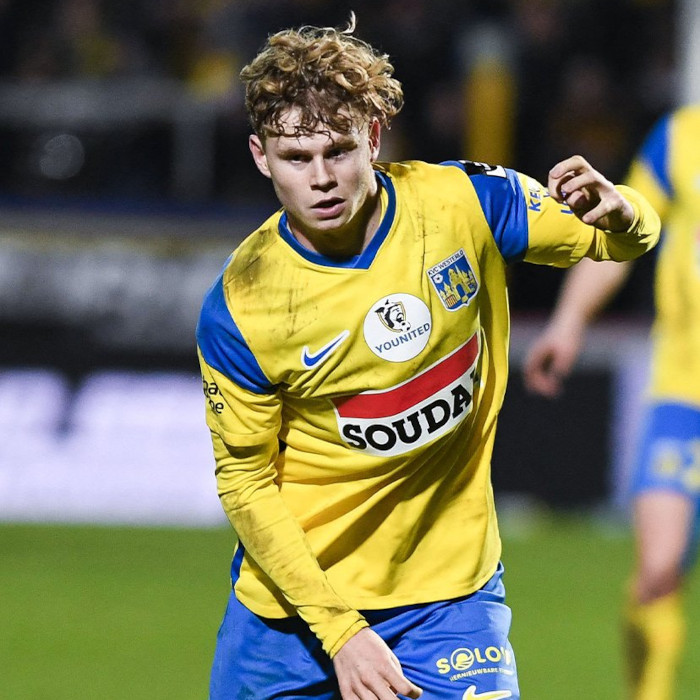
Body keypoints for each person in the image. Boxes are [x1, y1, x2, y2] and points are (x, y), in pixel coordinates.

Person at [196, 15, 660, 700]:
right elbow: (245, 483)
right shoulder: (244, 303)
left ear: (374, 137)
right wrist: (341, 632)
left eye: (339, 150)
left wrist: (625, 216)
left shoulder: (463, 203)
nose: (321, 178)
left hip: (450, 599)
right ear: (262, 157)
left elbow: (619, 242)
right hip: (294, 615)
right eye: (296, 158)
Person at [523, 104, 700, 700]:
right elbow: (621, 226)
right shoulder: (682, 137)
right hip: (685, 394)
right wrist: (568, 321)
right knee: (656, 572)